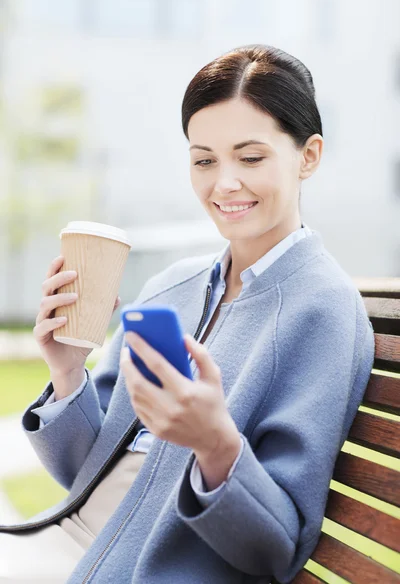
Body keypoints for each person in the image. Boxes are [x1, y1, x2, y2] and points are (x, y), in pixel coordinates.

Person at [0, 44, 375, 584]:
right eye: (204, 160)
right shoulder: (169, 287)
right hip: (69, 544)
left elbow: (275, 549)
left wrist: (215, 444)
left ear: (308, 156)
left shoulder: (323, 313)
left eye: (251, 157)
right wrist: (66, 371)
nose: (224, 183)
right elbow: (82, 474)